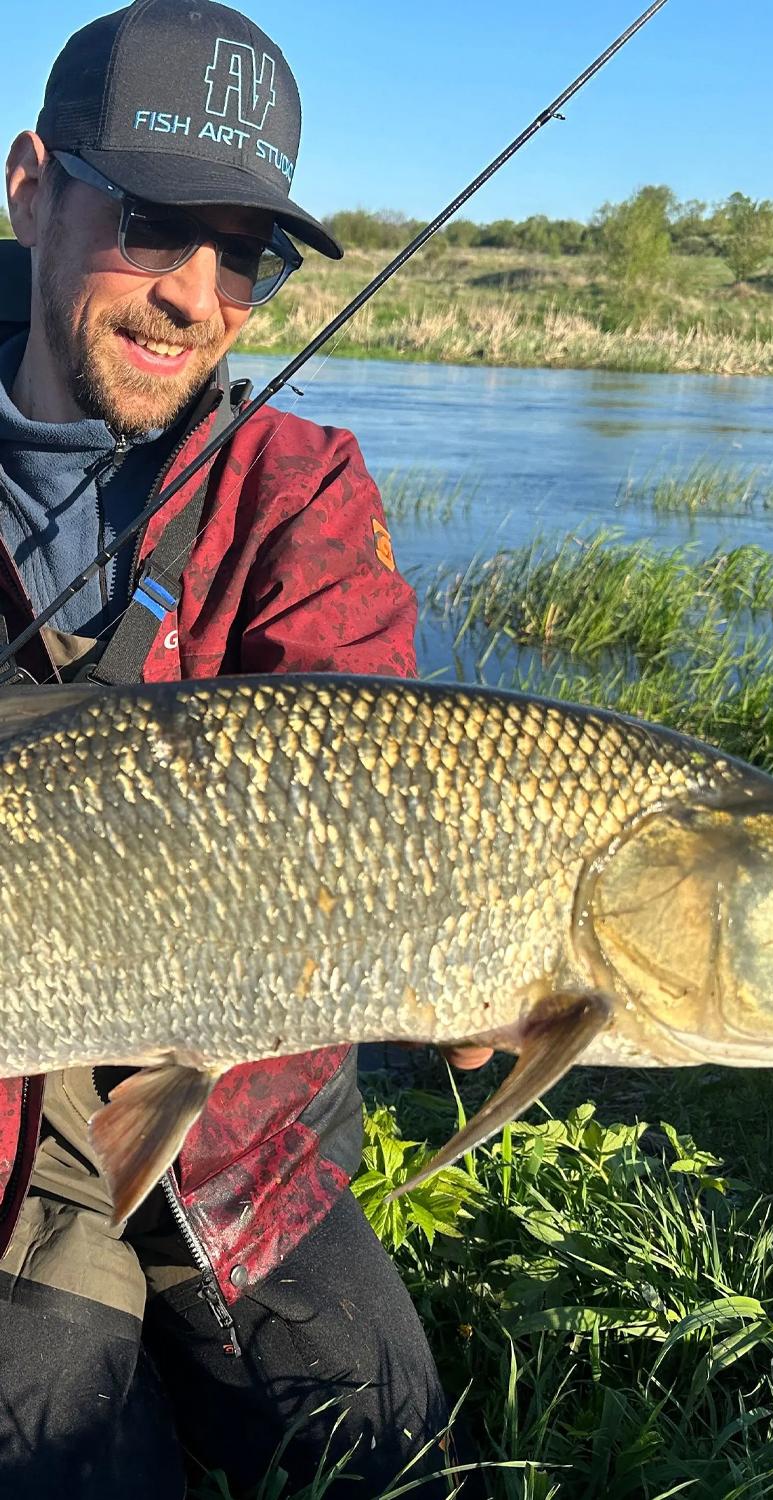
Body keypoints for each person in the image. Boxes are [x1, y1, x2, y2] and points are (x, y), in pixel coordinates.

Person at [0, 3, 490, 1494]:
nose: (195, 297)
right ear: (31, 187)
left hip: (240, 1125)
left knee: (387, 1460)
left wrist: (466, 936)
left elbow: (366, 746)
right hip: (11, 1130)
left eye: (247, 256)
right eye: (153, 224)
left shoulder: (300, 485)